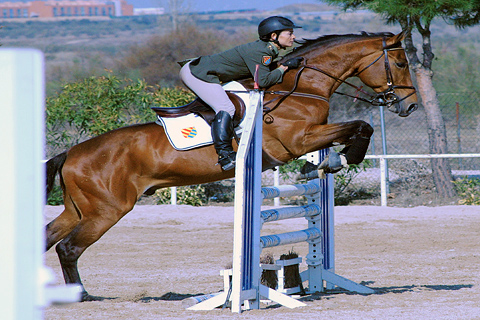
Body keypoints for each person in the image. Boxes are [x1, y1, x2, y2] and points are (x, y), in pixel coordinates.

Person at [179, 16, 304, 171]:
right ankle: (225, 155)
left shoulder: (267, 50)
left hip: (204, 72)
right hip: (197, 73)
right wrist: (284, 68)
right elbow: (263, 81)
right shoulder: (262, 51)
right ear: (274, 36)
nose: (294, 36)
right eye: (289, 33)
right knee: (226, 107)